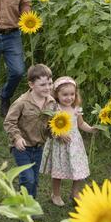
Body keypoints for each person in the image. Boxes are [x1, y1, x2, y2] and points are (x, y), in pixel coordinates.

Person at [40, 76, 97, 206]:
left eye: (72, 94)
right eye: (65, 94)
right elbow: (48, 126)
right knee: (58, 170)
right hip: (59, 145)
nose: (69, 97)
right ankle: (56, 194)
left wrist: (91, 129)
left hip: (75, 144)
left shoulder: (76, 108)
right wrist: (59, 134)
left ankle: (75, 193)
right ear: (57, 94)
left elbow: (81, 124)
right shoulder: (55, 109)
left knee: (79, 169)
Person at [3, 64, 56, 198]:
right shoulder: (22, 102)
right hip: (22, 147)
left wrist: (55, 132)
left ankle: (30, 204)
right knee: (28, 178)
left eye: (50, 83)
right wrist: (17, 137)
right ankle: (25, 207)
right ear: (31, 84)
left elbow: (51, 124)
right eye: (43, 85)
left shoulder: (51, 103)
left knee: (34, 180)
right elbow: (9, 122)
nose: (48, 88)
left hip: (39, 147)